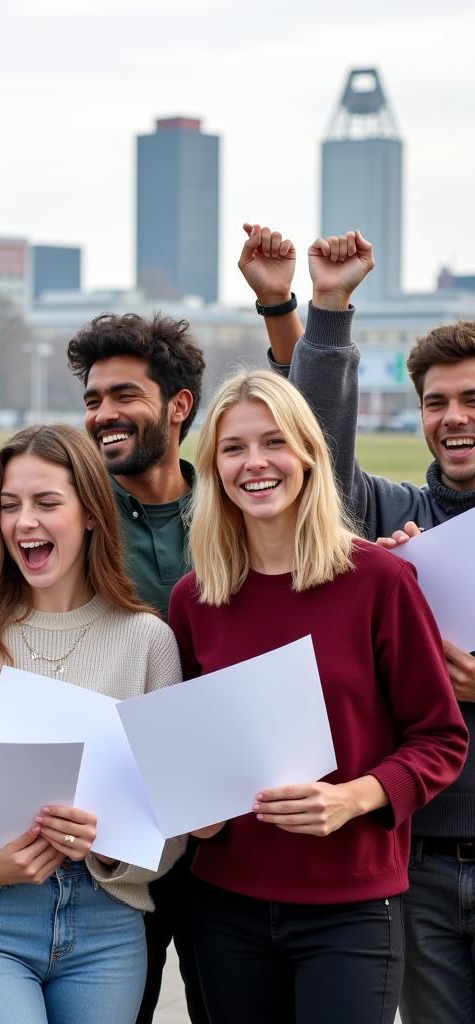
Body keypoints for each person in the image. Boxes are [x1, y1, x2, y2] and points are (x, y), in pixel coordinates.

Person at [168, 368, 468, 1023]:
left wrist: (353, 798)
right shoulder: (194, 601)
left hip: (352, 911)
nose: (255, 463)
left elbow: (441, 738)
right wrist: (195, 809)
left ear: (307, 453)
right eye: (233, 448)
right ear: (214, 468)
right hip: (226, 907)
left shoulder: (381, 581)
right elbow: (190, 753)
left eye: (273, 442)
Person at [240, 223, 475, 1024]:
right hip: (423, 858)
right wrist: (328, 309)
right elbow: (318, 443)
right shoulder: (392, 517)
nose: (453, 418)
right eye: (436, 402)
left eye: (472, 399)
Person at [0, 423, 185, 1024]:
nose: (24, 521)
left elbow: (172, 821)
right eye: (9, 506)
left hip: (107, 921)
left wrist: (107, 850)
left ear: (89, 515)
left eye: (47, 503)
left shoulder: (148, 641)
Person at [65, 307, 243, 1024]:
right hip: (115, 836)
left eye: (123, 396)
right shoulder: (69, 516)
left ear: (179, 407)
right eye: (93, 400)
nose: (104, 414)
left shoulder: (240, 507)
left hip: (230, 835)